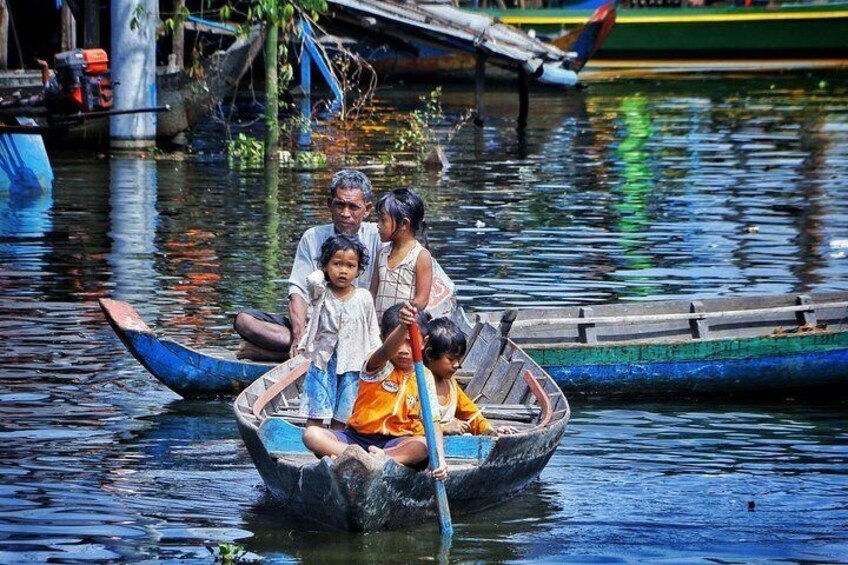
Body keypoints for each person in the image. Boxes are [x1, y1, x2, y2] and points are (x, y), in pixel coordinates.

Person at [234, 169, 382, 361]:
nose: (345, 213)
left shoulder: (378, 237)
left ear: (367, 209)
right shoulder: (313, 237)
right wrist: (298, 337)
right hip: (314, 326)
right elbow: (298, 292)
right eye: (339, 205)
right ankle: (305, 350)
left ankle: (268, 354)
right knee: (244, 321)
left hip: (358, 328)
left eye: (353, 207)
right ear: (330, 205)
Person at [301, 303, 448, 481]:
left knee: (424, 446)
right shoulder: (378, 364)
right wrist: (403, 326)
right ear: (382, 339)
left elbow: (433, 422)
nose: (403, 350)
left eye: (410, 342)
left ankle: (379, 458)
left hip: (396, 443)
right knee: (311, 434)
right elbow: (386, 351)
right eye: (398, 343)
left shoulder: (424, 376)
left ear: (423, 343)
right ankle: (361, 458)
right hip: (356, 439)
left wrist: (439, 460)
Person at [297, 235, 381, 430]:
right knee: (316, 412)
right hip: (324, 362)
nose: (343, 271)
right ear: (325, 266)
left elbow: (372, 331)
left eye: (350, 266)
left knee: (343, 416)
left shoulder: (364, 297)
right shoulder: (321, 293)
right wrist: (323, 270)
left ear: (359, 270)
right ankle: (315, 443)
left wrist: (375, 360)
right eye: (336, 264)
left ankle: (335, 448)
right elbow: (312, 280)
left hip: (353, 364)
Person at [423, 317, 519, 437]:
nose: (456, 364)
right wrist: (443, 428)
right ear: (429, 354)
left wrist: (490, 430)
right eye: (451, 359)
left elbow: (469, 412)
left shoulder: (451, 383)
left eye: (459, 359)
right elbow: (409, 426)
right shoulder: (417, 383)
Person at [370, 188, 433, 322]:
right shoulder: (382, 253)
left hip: (403, 327)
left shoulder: (420, 256)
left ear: (404, 224)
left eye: (383, 220)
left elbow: (422, 299)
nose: (378, 225)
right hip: (379, 327)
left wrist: (403, 318)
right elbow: (373, 292)